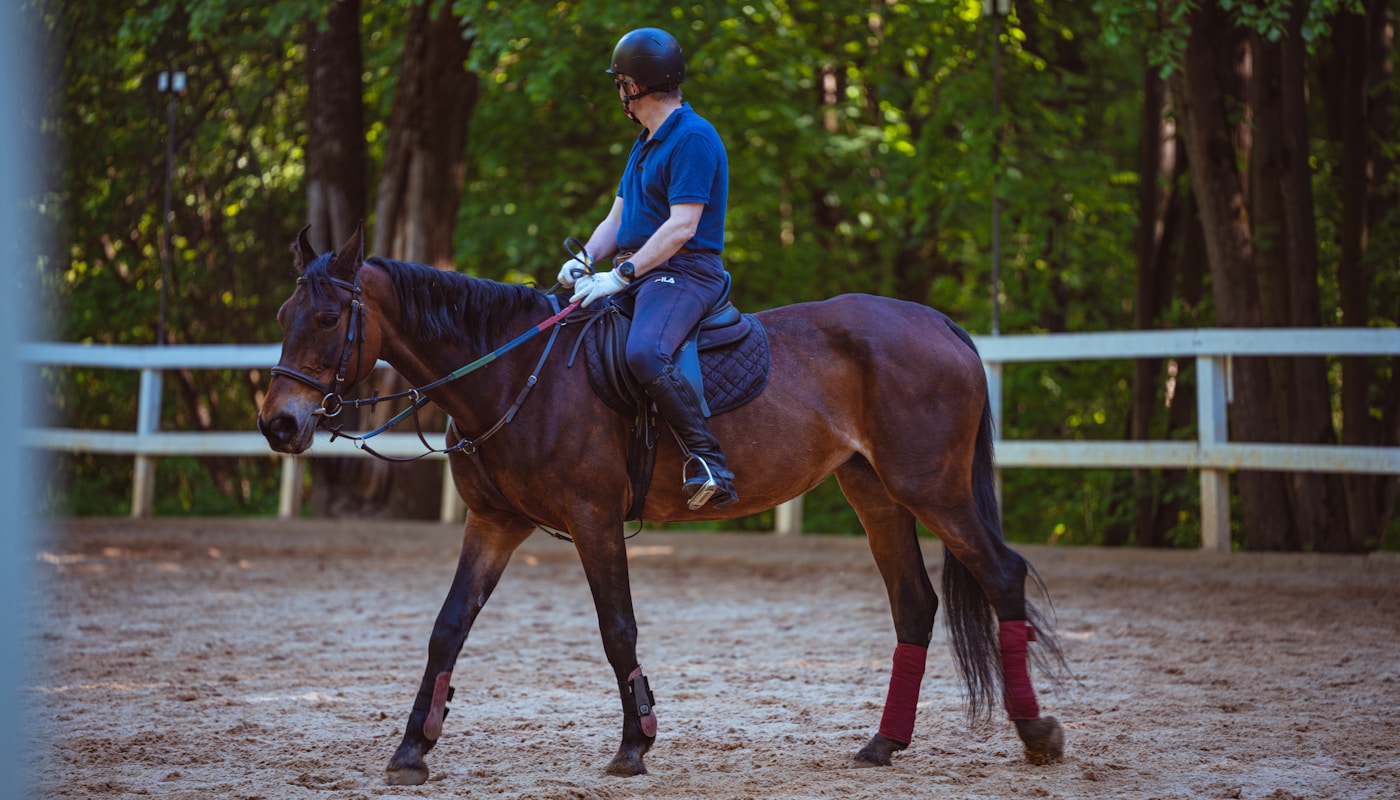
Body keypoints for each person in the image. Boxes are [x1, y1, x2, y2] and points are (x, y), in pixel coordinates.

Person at [558, 27, 738, 511]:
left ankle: (708, 461)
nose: (619, 91)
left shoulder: (693, 138)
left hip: (686, 272)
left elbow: (682, 226)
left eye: (620, 82)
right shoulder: (645, 143)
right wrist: (585, 259)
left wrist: (621, 276)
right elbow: (617, 218)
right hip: (642, 271)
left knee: (645, 351)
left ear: (633, 86)